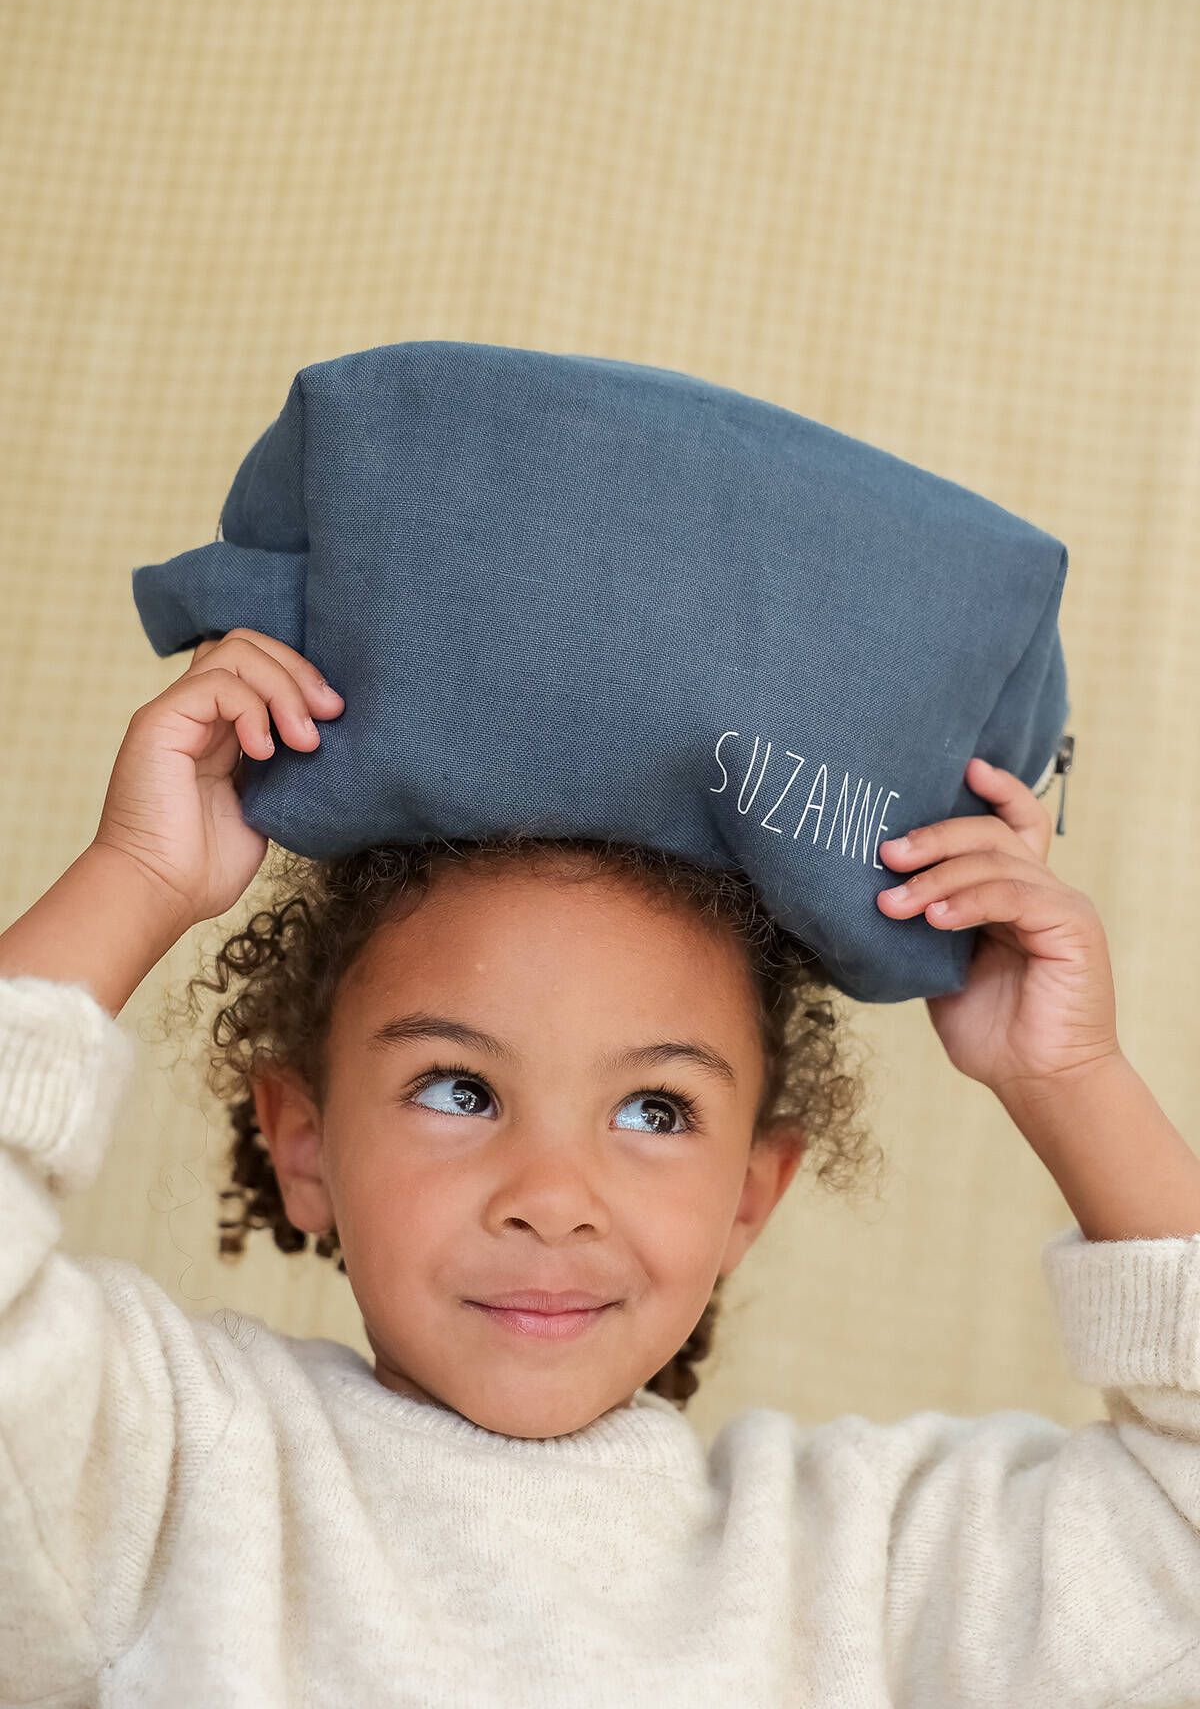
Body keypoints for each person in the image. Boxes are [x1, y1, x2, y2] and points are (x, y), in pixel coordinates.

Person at [2, 629, 1198, 1706]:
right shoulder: (171, 1480)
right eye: (459, 1090)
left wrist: (1071, 1079)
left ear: (748, 1196)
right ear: (304, 1140)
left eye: (655, 1109)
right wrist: (138, 878)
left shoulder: (862, 1575)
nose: (553, 1200)